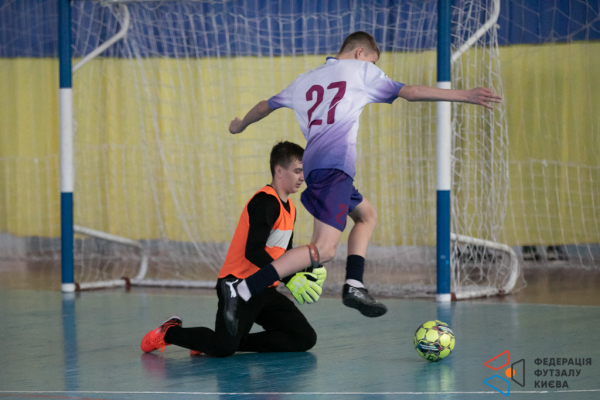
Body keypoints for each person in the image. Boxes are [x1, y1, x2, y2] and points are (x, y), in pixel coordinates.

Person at [224, 31, 502, 336]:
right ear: (360, 53)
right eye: (373, 60)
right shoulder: (361, 71)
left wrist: (240, 125)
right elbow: (410, 92)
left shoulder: (305, 80)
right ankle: (243, 289)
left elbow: (264, 106)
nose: (374, 67)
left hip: (319, 165)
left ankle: (354, 284)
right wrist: (465, 95)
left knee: (367, 215)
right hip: (333, 166)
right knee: (324, 249)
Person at [140, 141, 326, 357]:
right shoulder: (265, 202)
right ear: (279, 171)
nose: (303, 177)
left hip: (264, 288)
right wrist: (289, 278)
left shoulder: (290, 208)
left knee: (304, 338)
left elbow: (285, 253)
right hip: (237, 285)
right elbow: (253, 251)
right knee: (223, 348)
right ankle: (170, 332)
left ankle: (210, 342)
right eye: (297, 171)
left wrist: (303, 272)